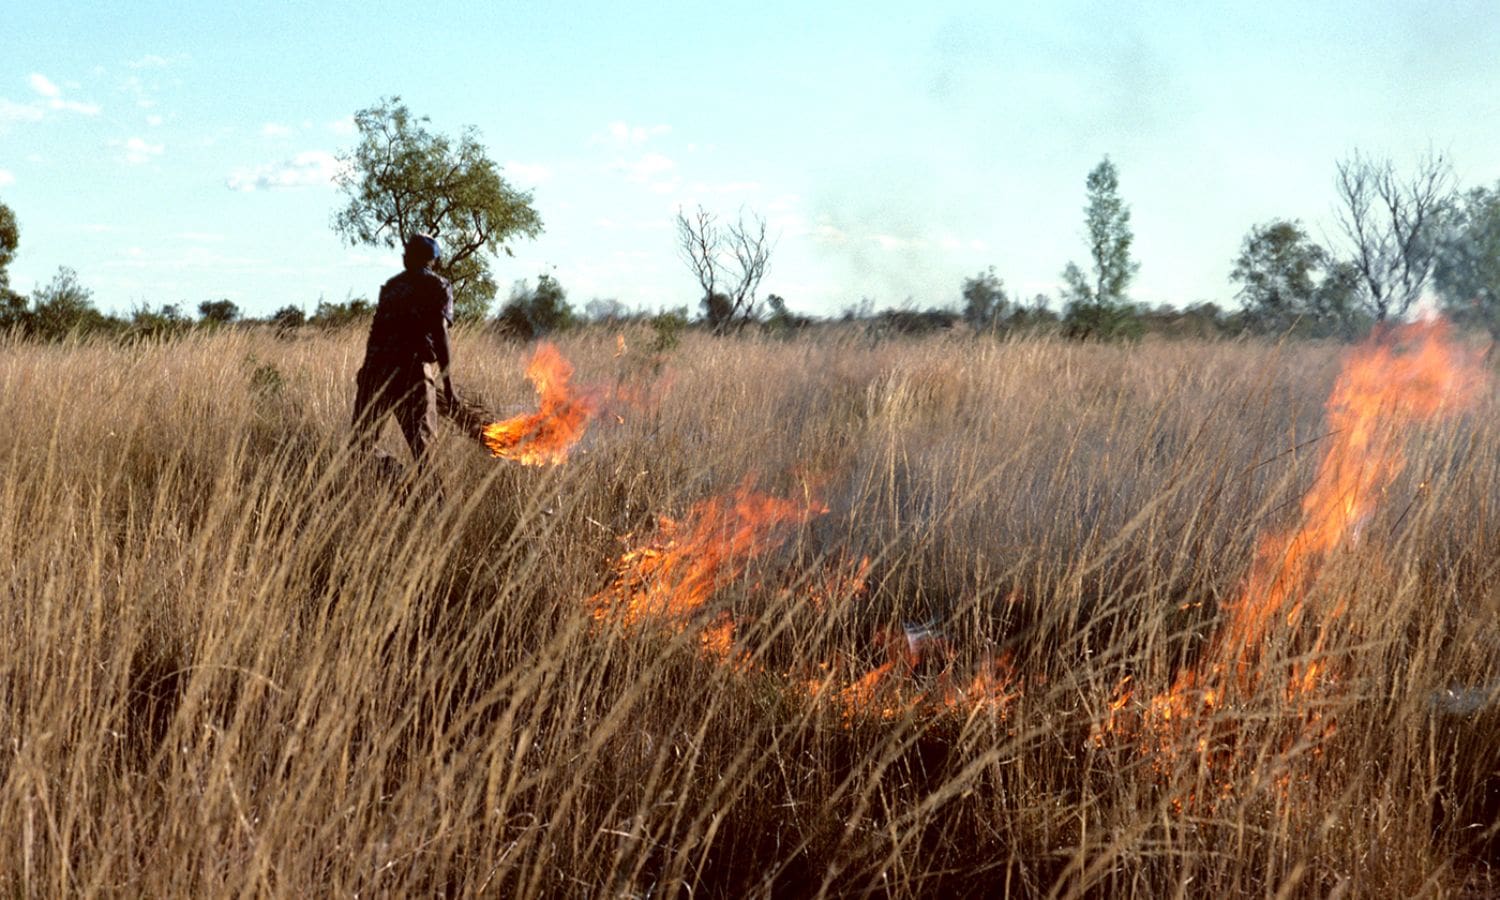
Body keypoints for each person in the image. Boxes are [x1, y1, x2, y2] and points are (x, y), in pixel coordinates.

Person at [351, 233, 459, 463]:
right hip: (413, 374)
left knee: (361, 445)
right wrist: (449, 386)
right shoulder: (438, 286)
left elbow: (376, 333)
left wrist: (366, 369)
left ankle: (398, 480)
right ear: (434, 260)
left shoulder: (392, 287)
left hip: (377, 371)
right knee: (424, 452)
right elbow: (440, 333)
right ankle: (417, 491)